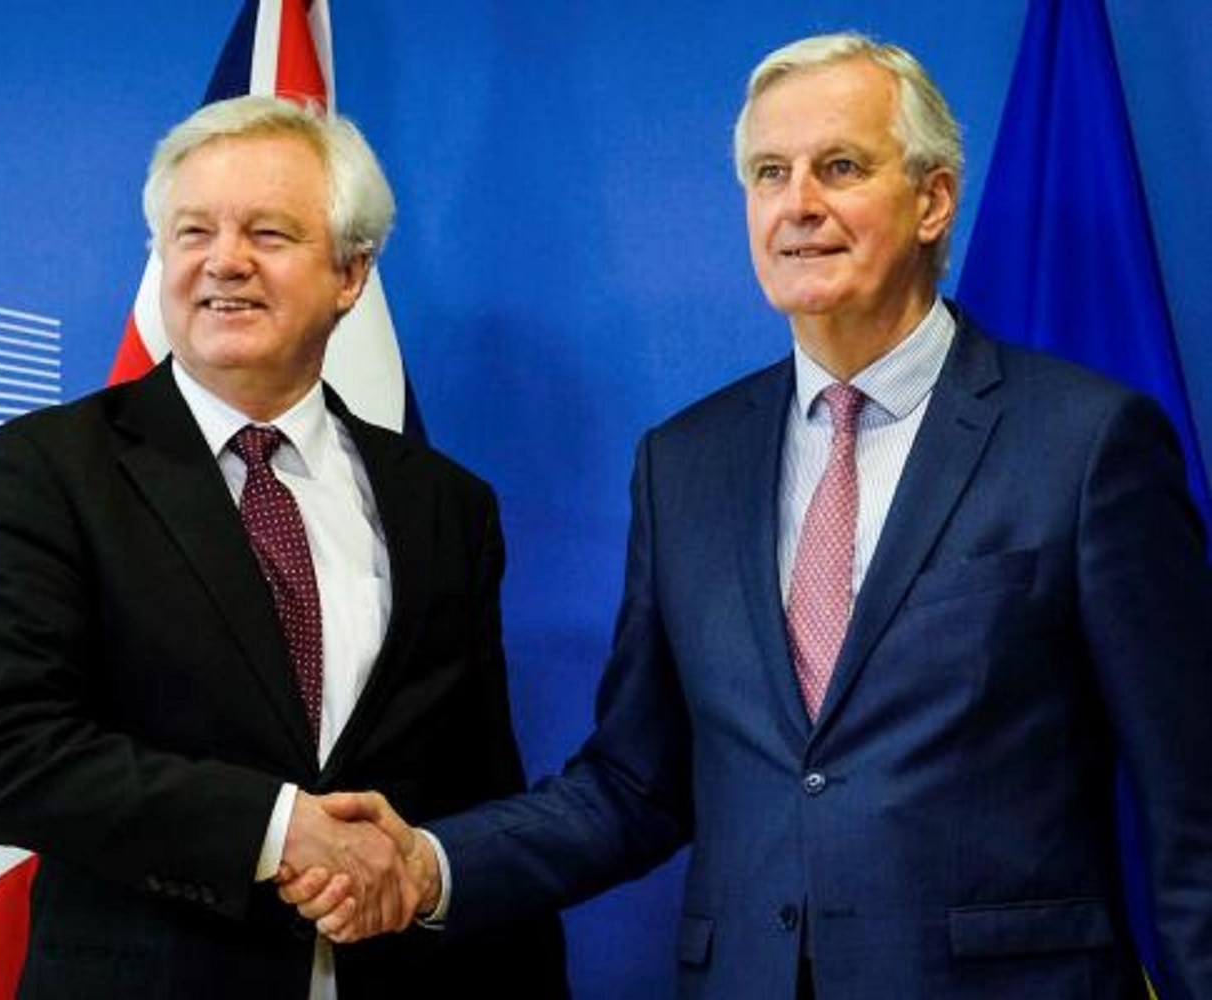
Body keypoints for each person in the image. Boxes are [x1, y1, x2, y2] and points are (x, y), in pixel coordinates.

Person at [281, 33, 1212, 999]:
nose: (798, 204)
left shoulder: (1085, 442)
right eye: (769, 173)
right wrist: (434, 864)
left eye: (840, 167)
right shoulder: (684, 463)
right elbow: (634, 783)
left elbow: (1192, 799)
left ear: (932, 200)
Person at [0, 94, 567, 999]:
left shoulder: (444, 505)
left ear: (350, 273)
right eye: (192, 232)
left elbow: (476, 790)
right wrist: (276, 829)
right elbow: (1, 754)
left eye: (268, 234)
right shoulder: (51, 469)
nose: (222, 261)